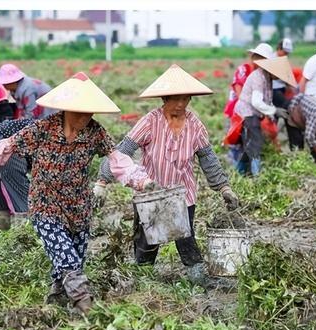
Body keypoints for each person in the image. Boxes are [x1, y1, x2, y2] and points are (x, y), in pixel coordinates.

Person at [0, 72, 155, 314]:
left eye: (89, 112)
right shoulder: (43, 129)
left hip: (78, 207)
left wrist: (143, 181)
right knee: (67, 259)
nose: (84, 118)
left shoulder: (95, 132)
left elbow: (117, 160)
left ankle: (56, 298)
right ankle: (85, 306)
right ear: (66, 109)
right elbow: (5, 148)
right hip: (45, 206)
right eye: (80, 112)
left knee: (74, 259)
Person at [96, 64, 240, 286]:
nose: (181, 104)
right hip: (151, 193)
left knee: (186, 237)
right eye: (175, 99)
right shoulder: (150, 121)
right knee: (146, 242)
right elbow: (122, 151)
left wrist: (224, 188)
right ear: (164, 99)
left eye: (185, 99)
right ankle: (143, 280)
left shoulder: (195, 126)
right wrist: (102, 181)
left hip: (183, 194)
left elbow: (207, 158)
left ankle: (198, 279)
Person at [235, 56, 297, 175]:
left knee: (251, 143)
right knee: (256, 142)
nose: (278, 78)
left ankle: (239, 171)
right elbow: (256, 102)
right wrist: (274, 111)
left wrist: (272, 113)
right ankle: (257, 175)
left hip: (254, 112)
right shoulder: (259, 77)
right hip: (247, 111)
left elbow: (267, 99)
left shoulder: (268, 78)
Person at [224, 43, 273, 166]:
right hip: (238, 110)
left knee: (248, 141)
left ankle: (244, 168)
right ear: (253, 57)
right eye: (258, 57)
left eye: (264, 59)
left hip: (252, 111)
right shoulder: (243, 70)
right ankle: (237, 168)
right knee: (237, 140)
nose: (260, 61)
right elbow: (239, 93)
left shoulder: (265, 75)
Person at [272, 38, 294, 109]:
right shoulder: (271, 59)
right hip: (274, 89)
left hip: (282, 88)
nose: (286, 55)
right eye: (285, 53)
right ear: (279, 49)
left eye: (287, 54)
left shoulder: (285, 60)